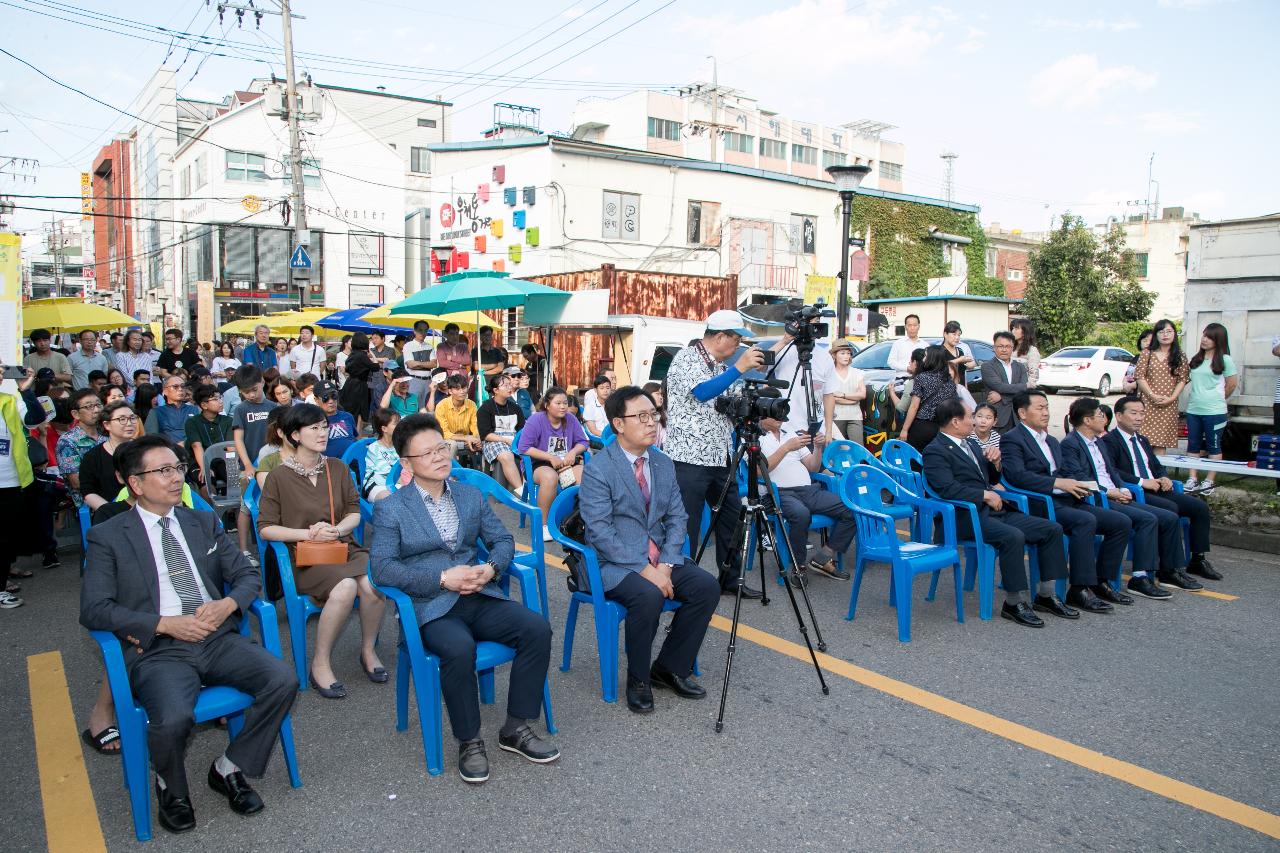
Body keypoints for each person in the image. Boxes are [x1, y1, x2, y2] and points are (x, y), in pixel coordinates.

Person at [80, 434, 296, 833]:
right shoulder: (109, 534)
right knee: (174, 716)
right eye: (163, 471)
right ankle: (171, 786)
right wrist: (163, 623)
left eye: (178, 467)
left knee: (282, 679)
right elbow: (94, 609)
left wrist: (227, 605)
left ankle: (229, 767)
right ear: (136, 483)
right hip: (159, 648)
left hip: (217, 636)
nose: (176, 477)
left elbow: (246, 575)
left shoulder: (201, 520)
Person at [370, 413, 558, 782]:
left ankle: (516, 727)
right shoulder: (391, 508)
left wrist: (489, 569)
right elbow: (383, 570)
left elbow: (503, 541)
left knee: (536, 629)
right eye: (427, 453)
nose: (440, 457)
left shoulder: (471, 496)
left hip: (479, 593)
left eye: (442, 447)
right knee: (458, 648)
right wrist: (442, 578)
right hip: (431, 606)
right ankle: (469, 740)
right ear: (406, 463)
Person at [579, 386, 719, 714]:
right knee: (648, 595)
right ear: (618, 424)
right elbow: (600, 531)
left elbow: (677, 517)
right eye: (640, 417)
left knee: (706, 587)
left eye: (653, 414)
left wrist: (667, 565)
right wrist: (646, 571)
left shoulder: (661, 462)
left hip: (658, 557)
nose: (651, 422)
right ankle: (639, 678)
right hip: (612, 561)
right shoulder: (600, 468)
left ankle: (669, 667)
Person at [258, 404, 386, 699]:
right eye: (313, 428)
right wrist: (310, 533)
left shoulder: (337, 468)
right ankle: (320, 662)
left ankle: (367, 651)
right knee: (344, 588)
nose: (322, 433)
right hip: (305, 556)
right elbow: (265, 528)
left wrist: (338, 530)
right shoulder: (278, 476)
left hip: (343, 547)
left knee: (372, 581)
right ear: (294, 435)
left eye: (324, 426)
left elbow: (355, 511)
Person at [923, 399, 1068, 628]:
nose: (974, 421)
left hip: (991, 511)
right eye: (970, 416)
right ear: (955, 421)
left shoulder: (968, 444)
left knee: (1051, 529)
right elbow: (945, 488)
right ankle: (1013, 602)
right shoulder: (935, 450)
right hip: (963, 517)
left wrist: (995, 463)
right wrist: (984, 495)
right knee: (1013, 536)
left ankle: (1046, 594)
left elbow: (990, 479)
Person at [1000, 390, 1135, 615]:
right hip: (1039, 502)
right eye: (1040, 408)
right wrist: (1058, 483)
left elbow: (1064, 471)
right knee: (1085, 520)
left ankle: (1100, 582)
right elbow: (1017, 476)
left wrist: (1080, 485)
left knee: (1120, 521)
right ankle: (1079, 589)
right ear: (1022, 413)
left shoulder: (1052, 441)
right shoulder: (1012, 439)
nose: (1045, 413)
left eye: (1047, 407)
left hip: (1066, 498)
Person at [664, 309, 765, 597]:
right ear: (720, 336)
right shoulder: (686, 358)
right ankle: (682, 581)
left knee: (731, 518)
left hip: (721, 456)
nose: (738, 348)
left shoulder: (719, 366)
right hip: (689, 458)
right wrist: (739, 368)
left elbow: (722, 404)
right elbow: (701, 393)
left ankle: (729, 580)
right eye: (736, 341)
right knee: (687, 523)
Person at [1061, 397, 1195, 594]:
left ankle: (1169, 571)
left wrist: (1123, 489)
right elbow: (1079, 477)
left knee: (1167, 516)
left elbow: (1112, 473)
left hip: (1115, 494)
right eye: (1100, 415)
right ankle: (1137, 577)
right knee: (1145, 519)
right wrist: (1109, 492)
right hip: (1098, 498)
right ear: (1087, 421)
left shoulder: (1098, 442)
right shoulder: (1070, 444)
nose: (1105, 419)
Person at [1103, 396, 1219, 589]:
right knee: (1170, 510)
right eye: (1134, 413)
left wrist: (1164, 476)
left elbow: (1156, 465)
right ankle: (1169, 569)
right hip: (1138, 490)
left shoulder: (1142, 439)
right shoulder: (1110, 441)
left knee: (1199, 507)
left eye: (1142, 413)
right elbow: (1112, 471)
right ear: (1119, 416)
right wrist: (1142, 481)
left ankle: (1197, 559)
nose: (1139, 417)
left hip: (1157, 487)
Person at [759, 412, 855, 580]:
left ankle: (823, 557)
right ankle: (799, 566)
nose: (780, 416)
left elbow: (812, 467)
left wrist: (817, 448)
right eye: (775, 412)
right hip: (780, 493)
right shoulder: (755, 438)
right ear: (762, 415)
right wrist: (786, 448)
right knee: (801, 514)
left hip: (808, 491)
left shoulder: (790, 434)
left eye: (781, 411)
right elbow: (760, 473)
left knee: (851, 508)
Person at [516, 387, 589, 542]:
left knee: (584, 474)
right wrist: (549, 457)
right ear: (547, 405)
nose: (563, 406)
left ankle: (577, 519)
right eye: (558, 403)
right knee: (550, 477)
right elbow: (524, 447)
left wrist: (573, 452)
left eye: (565, 403)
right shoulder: (536, 420)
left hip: (565, 463)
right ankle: (543, 525)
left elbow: (583, 442)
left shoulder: (570, 419)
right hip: (539, 464)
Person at [0, 366, 47, 608]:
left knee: (6, 535)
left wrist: (26, 391)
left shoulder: (10, 400)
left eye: (0, 367)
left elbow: (36, 419)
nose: (0, 371)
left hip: (11, 479)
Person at [1183, 322, 1237, 495]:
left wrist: (1216, 399)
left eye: (1210, 337)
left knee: (1214, 445)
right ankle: (1192, 478)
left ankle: (1210, 480)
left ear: (1218, 340)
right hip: (1193, 409)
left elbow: (1231, 384)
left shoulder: (1225, 360)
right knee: (1193, 444)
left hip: (1215, 411)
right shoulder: (1196, 359)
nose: (1204, 340)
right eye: (1204, 336)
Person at [1135, 319, 1187, 456]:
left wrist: (1172, 398)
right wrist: (1152, 395)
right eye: (1161, 331)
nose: (1165, 335)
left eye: (1169, 331)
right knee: (1143, 440)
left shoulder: (1180, 355)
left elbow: (1183, 379)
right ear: (1156, 335)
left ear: (1174, 334)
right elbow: (1139, 376)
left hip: (1169, 404)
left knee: (1161, 442)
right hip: (1147, 402)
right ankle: (1143, 473)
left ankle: (1159, 474)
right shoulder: (1147, 353)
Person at [79, 400, 138, 511]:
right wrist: (111, 511)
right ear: (107, 424)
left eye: (132, 418)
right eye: (122, 419)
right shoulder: (92, 457)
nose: (129, 423)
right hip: (112, 513)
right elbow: (88, 492)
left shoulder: (146, 450)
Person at [899, 346, 957, 451]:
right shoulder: (949, 381)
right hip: (942, 428)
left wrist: (904, 429)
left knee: (916, 461)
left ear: (932, 358)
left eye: (926, 356)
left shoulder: (921, 378)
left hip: (922, 427)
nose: (924, 359)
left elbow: (914, 406)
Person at [55, 388, 106, 508]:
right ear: (75, 414)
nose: (96, 410)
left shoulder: (108, 433)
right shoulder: (68, 441)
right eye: (89, 407)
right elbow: (77, 482)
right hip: (89, 505)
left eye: (98, 405)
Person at [477, 373, 525, 496]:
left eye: (510, 385)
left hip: (514, 440)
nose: (509, 388)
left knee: (528, 454)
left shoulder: (515, 407)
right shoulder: (486, 407)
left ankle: (528, 485)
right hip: (493, 441)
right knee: (506, 455)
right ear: (495, 390)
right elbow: (486, 434)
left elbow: (522, 429)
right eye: (505, 386)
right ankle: (521, 490)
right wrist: (506, 440)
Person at [980, 331, 1030, 434]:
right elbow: (1000, 386)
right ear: (994, 348)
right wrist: (1021, 387)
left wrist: (1002, 397)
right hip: (998, 419)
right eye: (1000, 346)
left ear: (1013, 348)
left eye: (1007, 346)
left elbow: (1024, 390)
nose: (1004, 349)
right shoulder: (987, 366)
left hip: (1018, 418)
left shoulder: (1020, 367)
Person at [186, 385, 234, 488]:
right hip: (199, 461)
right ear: (204, 405)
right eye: (215, 399)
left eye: (220, 397)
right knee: (206, 482)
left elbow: (230, 447)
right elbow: (196, 446)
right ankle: (209, 504)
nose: (220, 401)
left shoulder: (228, 421)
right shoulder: (192, 422)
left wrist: (233, 466)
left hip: (222, 460)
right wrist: (204, 467)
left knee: (234, 478)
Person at [827, 339, 866, 445]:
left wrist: (843, 395)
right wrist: (852, 400)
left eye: (848, 353)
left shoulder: (858, 373)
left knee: (858, 447)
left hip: (855, 416)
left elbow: (862, 394)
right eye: (842, 353)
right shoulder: (829, 374)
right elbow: (830, 398)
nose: (846, 356)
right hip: (836, 416)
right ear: (834, 355)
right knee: (838, 448)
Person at [436, 374, 481, 462]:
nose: (462, 391)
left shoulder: (472, 404)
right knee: (452, 445)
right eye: (457, 389)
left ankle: (481, 472)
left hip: (467, 439)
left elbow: (475, 427)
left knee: (483, 442)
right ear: (450, 391)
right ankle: (451, 474)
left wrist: (476, 439)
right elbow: (444, 433)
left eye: (464, 388)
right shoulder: (441, 406)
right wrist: (466, 438)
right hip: (447, 440)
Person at [144, 376, 199, 447]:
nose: (180, 389)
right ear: (165, 391)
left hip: (193, 449)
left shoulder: (195, 409)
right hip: (167, 452)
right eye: (175, 387)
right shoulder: (156, 412)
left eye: (183, 386)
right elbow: (151, 438)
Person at [338, 332, 375, 431]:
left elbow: (346, 369)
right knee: (359, 411)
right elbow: (375, 367)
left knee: (351, 410)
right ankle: (356, 435)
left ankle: (351, 433)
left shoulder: (352, 354)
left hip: (349, 383)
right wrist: (373, 356)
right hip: (360, 385)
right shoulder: (362, 356)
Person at [363, 408, 400, 501]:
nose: (400, 425)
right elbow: (381, 475)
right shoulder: (374, 448)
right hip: (375, 485)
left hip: (397, 484)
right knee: (392, 498)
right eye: (396, 423)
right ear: (384, 428)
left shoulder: (399, 446)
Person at [315, 381, 355, 459]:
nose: (331, 401)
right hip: (329, 466)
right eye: (325, 398)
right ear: (316, 400)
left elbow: (354, 438)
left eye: (334, 396)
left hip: (353, 462)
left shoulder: (348, 416)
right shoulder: (313, 421)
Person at [402, 321, 437, 403]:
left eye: (425, 330)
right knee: (413, 406)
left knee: (427, 408)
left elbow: (434, 364)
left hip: (428, 380)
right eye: (420, 330)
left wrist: (417, 363)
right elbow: (410, 365)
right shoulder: (408, 346)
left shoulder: (429, 346)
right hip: (414, 380)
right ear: (414, 331)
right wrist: (427, 364)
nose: (423, 333)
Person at [1011, 318, 1041, 387]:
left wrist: (1024, 387)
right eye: (1013, 328)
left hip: (1022, 390)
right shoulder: (1011, 348)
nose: (1013, 331)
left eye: (1016, 329)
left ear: (1024, 332)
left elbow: (1033, 377)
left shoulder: (1032, 351)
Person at [1123, 329, 1154, 394]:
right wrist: (1125, 384)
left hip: (1144, 395)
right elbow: (1127, 374)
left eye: (1151, 341)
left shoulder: (1154, 359)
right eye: (1144, 341)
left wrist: (1131, 386)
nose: (1148, 343)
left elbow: (1150, 378)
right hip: (1131, 394)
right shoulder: (1136, 357)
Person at [642, 381, 667, 448]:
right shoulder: (639, 414)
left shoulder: (662, 416)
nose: (661, 397)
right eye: (657, 394)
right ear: (648, 394)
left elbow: (664, 440)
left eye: (662, 395)